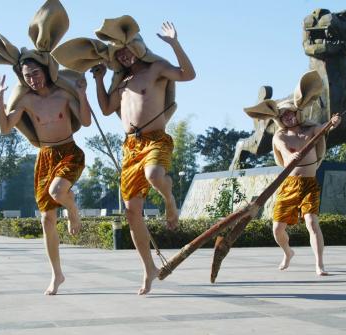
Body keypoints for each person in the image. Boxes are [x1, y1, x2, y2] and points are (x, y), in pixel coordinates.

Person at [0, 0, 92, 295]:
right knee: (47, 218)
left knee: (58, 193)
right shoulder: (25, 100)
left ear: (46, 71)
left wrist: (83, 94)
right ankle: (56, 275)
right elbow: (6, 128)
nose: (31, 79)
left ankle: (73, 211)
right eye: (26, 76)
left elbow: (84, 121)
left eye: (35, 73)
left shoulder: (62, 94)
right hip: (45, 157)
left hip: (69, 151)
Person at [90, 18, 196, 295]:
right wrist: (99, 80)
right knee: (132, 211)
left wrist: (174, 43)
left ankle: (170, 201)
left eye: (127, 49)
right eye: (118, 53)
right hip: (130, 147)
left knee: (154, 175)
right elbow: (104, 108)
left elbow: (188, 74)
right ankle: (149, 268)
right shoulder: (121, 83)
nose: (124, 55)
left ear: (138, 48)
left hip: (155, 140)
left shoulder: (156, 69)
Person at [272, 103, 341, 276]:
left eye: (290, 114)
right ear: (280, 120)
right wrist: (290, 156)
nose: (288, 117)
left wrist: (334, 122)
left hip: (310, 184)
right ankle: (288, 252)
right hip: (289, 185)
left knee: (311, 222)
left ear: (297, 114)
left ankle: (319, 264)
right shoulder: (280, 136)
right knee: (277, 229)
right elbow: (284, 152)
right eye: (283, 116)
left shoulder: (310, 130)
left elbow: (326, 128)